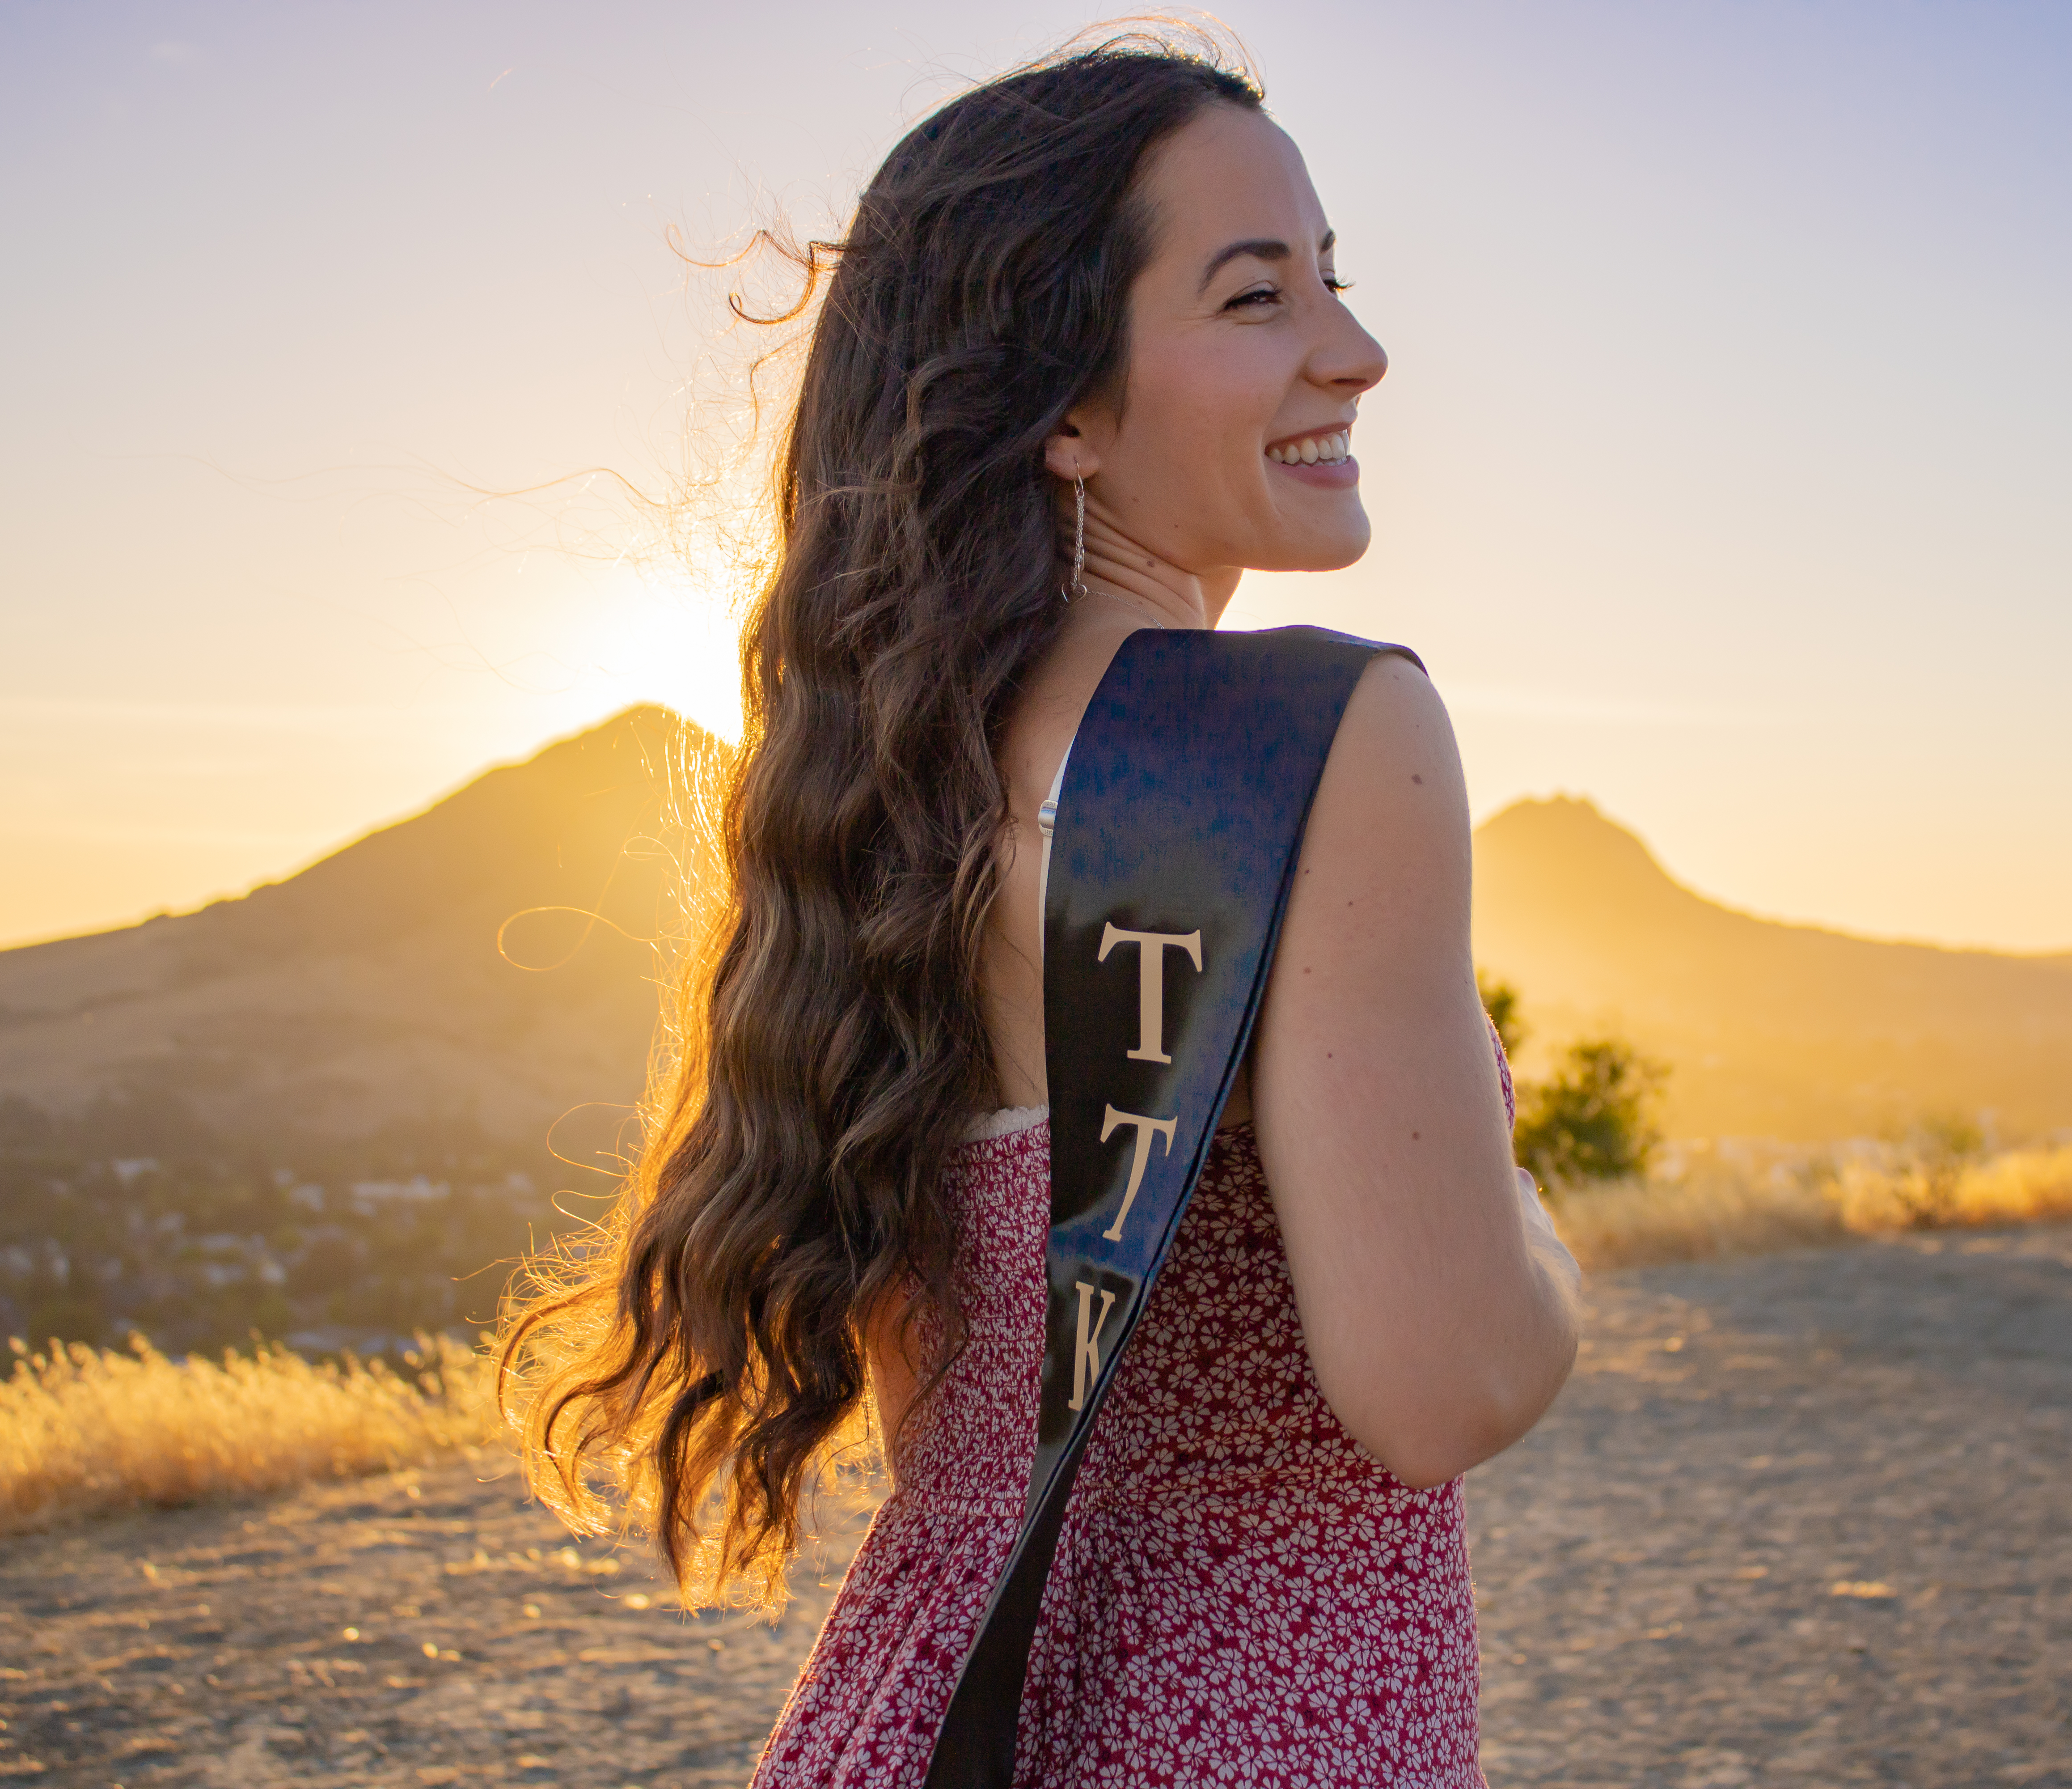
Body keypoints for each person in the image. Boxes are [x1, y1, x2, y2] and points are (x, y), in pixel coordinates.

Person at [500, 32, 1580, 1788]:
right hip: (1253, 1734)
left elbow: (970, 1402)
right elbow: (1440, 1380)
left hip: (926, 1719)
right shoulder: (1304, 736)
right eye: (1258, 297)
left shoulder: (880, 786)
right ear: (1063, 408)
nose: (1359, 350)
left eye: (1336, 279)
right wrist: (1542, 1240)